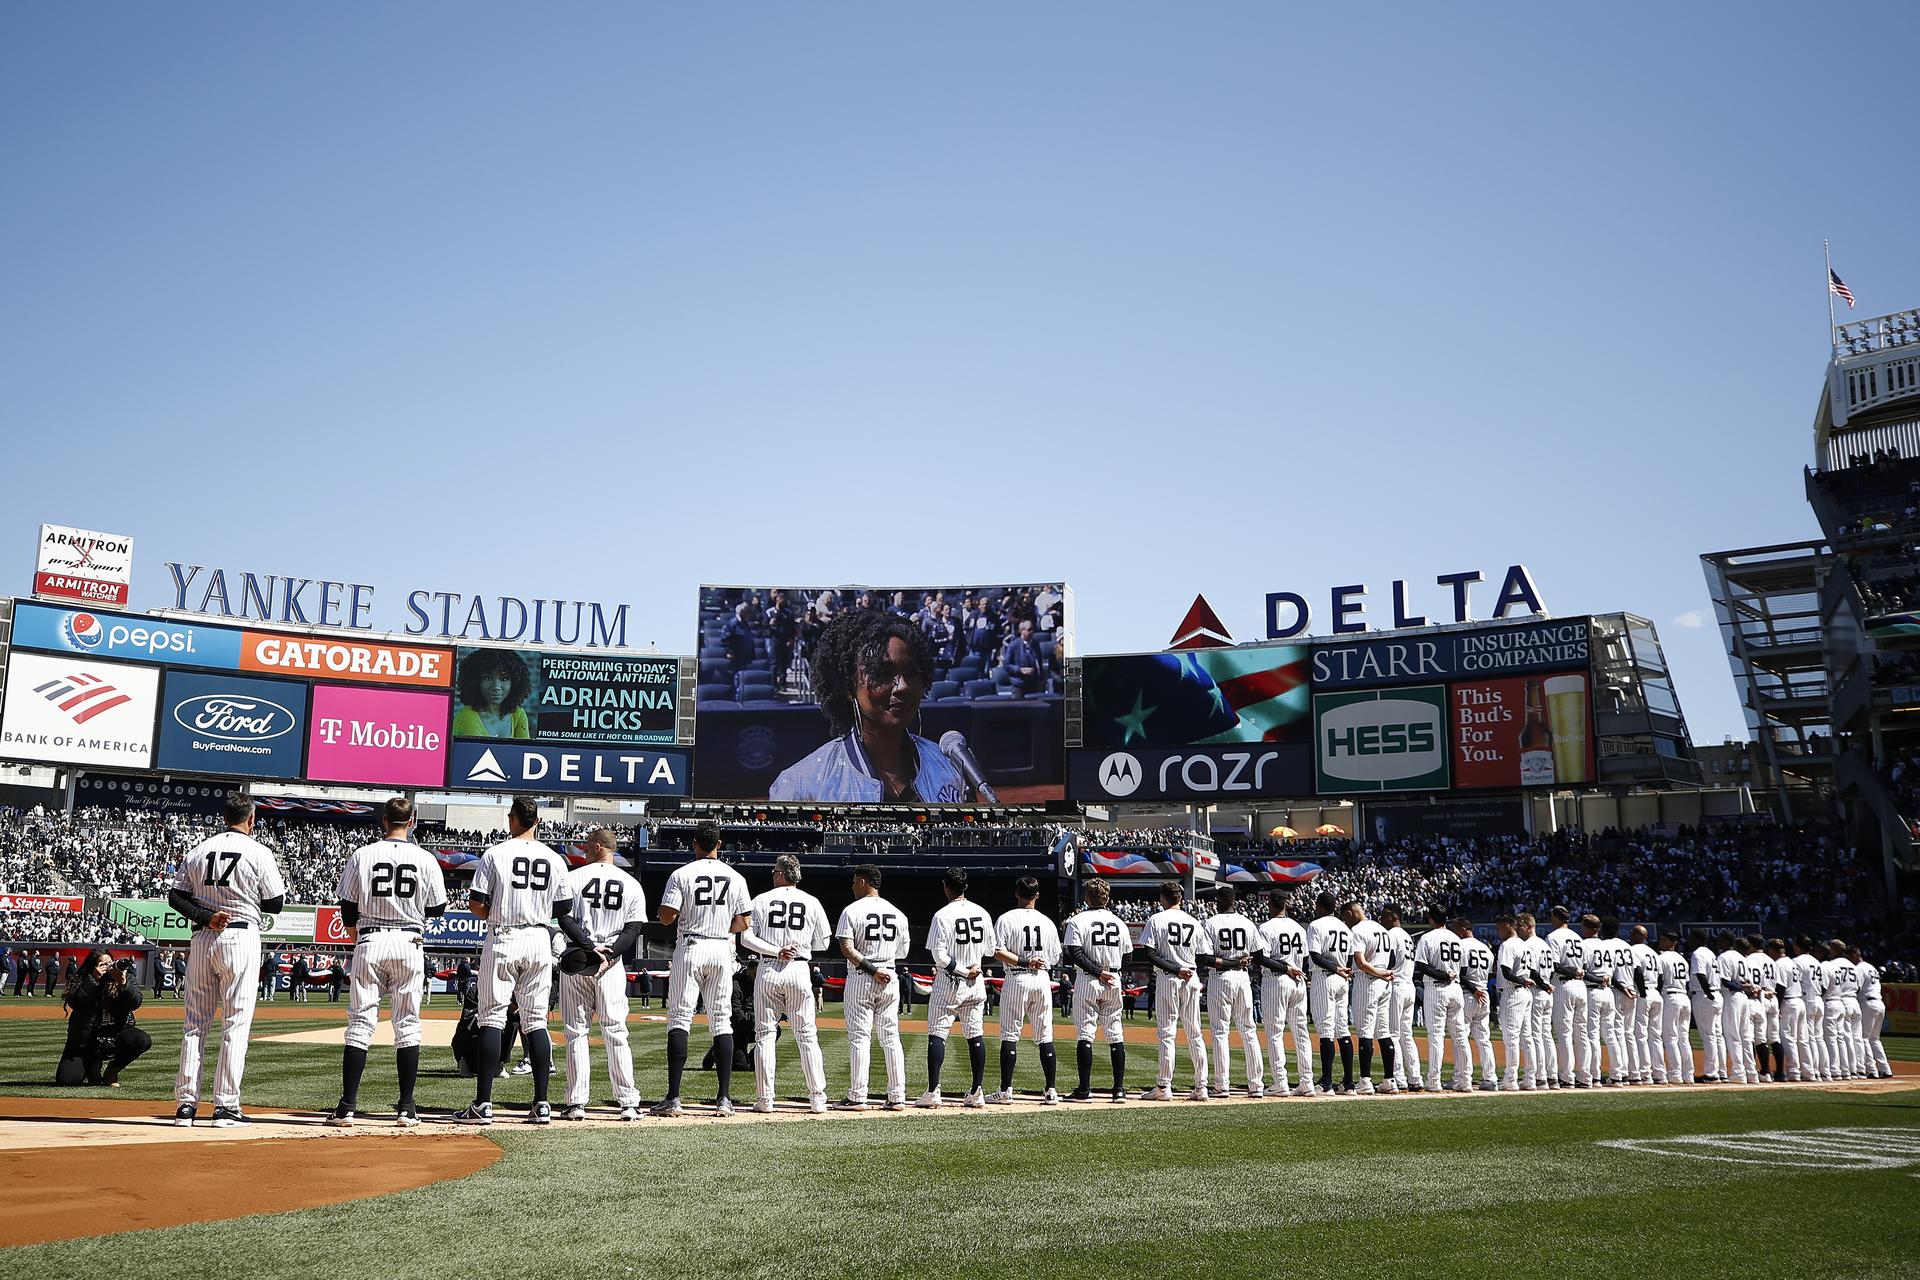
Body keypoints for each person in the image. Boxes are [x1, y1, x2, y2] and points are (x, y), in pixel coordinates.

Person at [453, 796, 593, 1126]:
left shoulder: (495, 853)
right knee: (535, 1022)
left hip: (504, 936)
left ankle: (483, 1104)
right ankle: (542, 1103)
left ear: (512, 819)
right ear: (538, 822)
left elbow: (476, 903)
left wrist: (496, 911)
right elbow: (562, 909)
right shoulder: (554, 858)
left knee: (491, 1017)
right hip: (538, 940)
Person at [327, 797, 450, 1129]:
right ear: (412, 821)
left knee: (360, 1023)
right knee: (407, 1024)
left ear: (384, 821)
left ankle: (347, 1107)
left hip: (371, 938)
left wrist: (358, 932)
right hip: (409, 940)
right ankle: (406, 1107)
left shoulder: (362, 855)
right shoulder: (425, 859)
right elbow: (438, 908)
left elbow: (348, 907)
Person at [170, 792, 288, 1128]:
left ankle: (185, 1107)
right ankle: (225, 1107)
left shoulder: (200, 849)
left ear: (225, 817)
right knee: (235, 1025)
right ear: (251, 819)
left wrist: (205, 914)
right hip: (240, 936)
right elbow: (276, 903)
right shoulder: (258, 851)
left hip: (203, 935)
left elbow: (176, 895)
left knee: (195, 1024)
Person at [769, 610, 972, 803]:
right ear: (849, 686)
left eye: (912, 672)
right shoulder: (802, 784)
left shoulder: (950, 768)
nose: (902, 686)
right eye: (882, 673)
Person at [651, 820, 751, 1118]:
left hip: (692, 945)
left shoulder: (681, 874)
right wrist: (721, 927)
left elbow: (667, 917)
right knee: (721, 1021)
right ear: (719, 844)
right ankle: (723, 1099)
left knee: (680, 1017)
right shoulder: (736, 877)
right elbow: (743, 923)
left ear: (694, 844)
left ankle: (674, 1098)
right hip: (721, 947)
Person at [557, 828, 646, 1122]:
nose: (583, 850)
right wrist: (608, 954)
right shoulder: (631, 882)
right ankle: (628, 1102)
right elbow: (633, 929)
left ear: (597, 847)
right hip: (612, 961)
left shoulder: (572, 878)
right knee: (616, 1031)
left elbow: (563, 917)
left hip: (579, 959)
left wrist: (588, 948)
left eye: (586, 846)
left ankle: (577, 1102)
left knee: (576, 1032)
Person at [738, 854, 831, 1114]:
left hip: (768, 967)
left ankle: (765, 1099)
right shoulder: (812, 901)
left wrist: (777, 949)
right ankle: (817, 1098)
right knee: (807, 1035)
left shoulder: (761, 899)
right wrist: (795, 948)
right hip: (799, 968)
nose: (772, 873)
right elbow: (823, 942)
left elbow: (745, 938)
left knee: (765, 1035)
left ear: (781, 874)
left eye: (774, 870)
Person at [833, 864, 910, 1111]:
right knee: (890, 1037)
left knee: (860, 1037)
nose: (853, 886)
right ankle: (897, 1095)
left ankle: (857, 1095)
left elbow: (846, 948)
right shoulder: (898, 913)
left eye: (855, 881)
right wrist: (881, 967)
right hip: (889, 974)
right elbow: (903, 951)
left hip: (863, 976)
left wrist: (871, 969)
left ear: (864, 881)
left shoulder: (852, 910)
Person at [919, 867, 996, 1109]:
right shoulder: (982, 912)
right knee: (975, 1034)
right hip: (975, 982)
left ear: (946, 887)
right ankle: (977, 1091)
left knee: (938, 1033)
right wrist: (972, 967)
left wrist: (962, 969)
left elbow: (939, 956)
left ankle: (933, 1091)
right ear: (966, 887)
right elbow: (991, 951)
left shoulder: (942, 915)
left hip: (950, 981)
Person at [987, 875, 1062, 1105]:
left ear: (1016, 893)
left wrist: (1022, 961)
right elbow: (1055, 957)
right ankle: (1051, 1090)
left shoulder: (1007, 918)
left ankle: (1006, 1090)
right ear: (1037, 895)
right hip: (1041, 979)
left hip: (1017, 977)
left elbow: (996, 951)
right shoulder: (1047, 922)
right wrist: (1034, 962)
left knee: (1010, 1034)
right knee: (1045, 1035)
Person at [1135, 881, 1210, 1102]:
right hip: (1191, 976)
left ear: (1162, 898)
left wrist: (1176, 968)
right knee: (1195, 1033)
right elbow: (1204, 956)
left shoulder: (1157, 919)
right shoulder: (1194, 921)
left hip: (1170, 978)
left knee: (1167, 1033)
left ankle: (1164, 1087)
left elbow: (1149, 953)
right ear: (1181, 898)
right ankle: (1201, 1086)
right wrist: (1186, 968)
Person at [1060, 877, 1129, 1103]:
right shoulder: (1119, 922)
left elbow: (1075, 954)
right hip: (1113, 977)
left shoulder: (1078, 920)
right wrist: (1113, 973)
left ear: (1087, 897)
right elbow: (1127, 956)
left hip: (1090, 978)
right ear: (1107, 897)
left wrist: (1099, 972)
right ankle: (1118, 1089)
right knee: (1115, 1032)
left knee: (1085, 1033)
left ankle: (1084, 1089)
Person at [1200, 885, 1265, 1099]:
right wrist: (1239, 961)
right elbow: (1258, 954)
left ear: (1219, 900)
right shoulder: (1247, 922)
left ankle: (1222, 1085)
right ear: (1235, 901)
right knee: (1249, 1031)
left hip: (1221, 978)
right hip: (1243, 978)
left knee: (1220, 1032)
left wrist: (1230, 961)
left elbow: (1206, 959)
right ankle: (1256, 1085)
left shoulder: (1211, 923)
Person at [56, 950, 150, 1087]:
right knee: (68, 1080)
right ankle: (92, 1065)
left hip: (115, 1037)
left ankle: (112, 1071)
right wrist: (94, 980)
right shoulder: (83, 979)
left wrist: (123, 984)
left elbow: (135, 1002)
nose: (106, 968)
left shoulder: (126, 978)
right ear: (92, 967)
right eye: (102, 964)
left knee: (141, 1040)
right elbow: (75, 1002)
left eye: (109, 964)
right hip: (85, 1043)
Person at [1255, 891, 1313, 1097]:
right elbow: (1305, 959)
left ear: (1270, 904)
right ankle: (1307, 1082)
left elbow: (1262, 958)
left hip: (1277, 980)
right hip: (1298, 980)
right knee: (1301, 1033)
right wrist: (1294, 969)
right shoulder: (1298, 927)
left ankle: (1280, 1081)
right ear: (1286, 904)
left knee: (1275, 1033)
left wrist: (1286, 968)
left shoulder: (1266, 927)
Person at [1414, 905, 1467, 1093]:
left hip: (1437, 989)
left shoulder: (1427, 938)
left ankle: (1434, 1080)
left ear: (1431, 919)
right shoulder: (1456, 938)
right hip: (1456, 989)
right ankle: (1465, 1080)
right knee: (1460, 1036)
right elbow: (1465, 969)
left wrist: (1441, 975)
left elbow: (1421, 965)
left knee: (1436, 1036)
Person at [1306, 891, 1355, 1095]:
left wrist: (1335, 969)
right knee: (1342, 1028)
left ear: (1319, 906)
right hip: (1342, 979)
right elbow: (1350, 957)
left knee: (1326, 1029)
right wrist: (1343, 970)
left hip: (1325, 977)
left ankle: (1326, 1083)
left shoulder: (1316, 925)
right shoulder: (1345, 927)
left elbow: (1315, 956)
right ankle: (1349, 1083)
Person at [1347, 901, 1393, 1095]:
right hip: (1385, 981)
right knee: (1383, 1030)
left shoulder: (1358, 930)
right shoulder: (1382, 929)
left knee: (1365, 1031)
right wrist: (1383, 973)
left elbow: (1361, 962)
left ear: (1350, 913)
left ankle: (1365, 1080)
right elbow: (1392, 960)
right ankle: (1389, 1079)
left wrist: (1378, 973)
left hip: (1369, 980)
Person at [1545, 906, 1591, 1088]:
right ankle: (1585, 1076)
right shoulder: (1578, 938)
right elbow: (1584, 966)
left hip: (1564, 985)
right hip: (1581, 986)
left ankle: (1566, 1076)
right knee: (1582, 1033)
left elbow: (1554, 965)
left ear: (1555, 917)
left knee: (1564, 1033)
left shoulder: (1553, 937)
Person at [1381, 904, 1421, 1093]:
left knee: (1393, 1034)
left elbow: (1389, 961)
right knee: (1406, 1035)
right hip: (1409, 985)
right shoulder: (1407, 936)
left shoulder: (1392, 935)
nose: (1382, 919)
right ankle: (1415, 1077)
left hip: (1396, 985)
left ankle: (1399, 1077)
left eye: (1385, 916)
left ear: (1394, 916)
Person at [1582, 916, 1626, 1087]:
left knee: (1592, 1034)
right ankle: (1617, 1075)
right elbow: (1612, 972)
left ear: (1586, 927)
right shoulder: (1607, 946)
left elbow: (1583, 971)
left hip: (1592, 991)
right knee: (1610, 1034)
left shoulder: (1584, 944)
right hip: (1608, 992)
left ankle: (1595, 1075)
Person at [452, 648, 534, 738]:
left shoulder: (517, 714)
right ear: (475, 681)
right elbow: (477, 752)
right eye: (487, 678)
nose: (496, 687)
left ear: (515, 682)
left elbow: (524, 751)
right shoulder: (466, 716)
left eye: (504, 679)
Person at [1457, 916, 1498, 1090]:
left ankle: (1462, 1077)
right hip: (1484, 993)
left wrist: (1473, 990)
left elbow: (1462, 974)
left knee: (1462, 1036)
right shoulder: (1486, 948)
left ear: (1463, 929)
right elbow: (1489, 974)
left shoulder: (1460, 946)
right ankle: (1490, 1078)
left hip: (1468, 993)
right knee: (1484, 1039)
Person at [1495, 915, 1535, 1091]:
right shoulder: (1525, 945)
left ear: (1510, 926)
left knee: (1511, 1038)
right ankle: (1530, 1079)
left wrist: (1520, 980)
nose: (1499, 931)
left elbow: (1506, 972)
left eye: (1501, 927)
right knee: (1526, 1038)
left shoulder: (1508, 945)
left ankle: (1510, 1079)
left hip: (1513, 992)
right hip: (1525, 993)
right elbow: (1531, 972)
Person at [1688, 929, 1725, 1084]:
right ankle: (1721, 1071)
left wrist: (1708, 993)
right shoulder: (1711, 953)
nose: (1689, 940)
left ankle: (1711, 1073)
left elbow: (1700, 975)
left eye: (1691, 938)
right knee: (1717, 1036)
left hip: (1705, 996)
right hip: (1717, 995)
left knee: (1709, 1036)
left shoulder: (1698, 954)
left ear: (1697, 939)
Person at [1850, 944, 1892, 1079]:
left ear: (1855, 955)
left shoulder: (1859, 968)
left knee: (1864, 1038)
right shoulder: (1871, 967)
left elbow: (1856, 988)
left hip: (1868, 1003)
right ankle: (1885, 1069)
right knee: (1874, 1039)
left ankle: (1871, 1070)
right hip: (1879, 1003)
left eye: (1849, 956)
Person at [1655, 933, 1692, 1087]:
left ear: (1672, 942)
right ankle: (1688, 1074)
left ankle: (1675, 1074)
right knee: (1683, 1038)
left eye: (1663, 939)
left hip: (1671, 997)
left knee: (1670, 1038)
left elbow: (1660, 981)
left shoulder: (1662, 958)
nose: (1661, 941)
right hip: (1684, 997)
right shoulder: (1682, 959)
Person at [1000, 619, 1049, 699]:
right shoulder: (1013, 646)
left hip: (1033, 683)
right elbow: (1006, 665)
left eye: (1032, 629)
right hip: (1019, 684)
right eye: (1029, 630)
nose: (1032, 632)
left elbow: (1039, 662)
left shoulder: (1035, 644)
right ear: (1022, 631)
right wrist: (1020, 670)